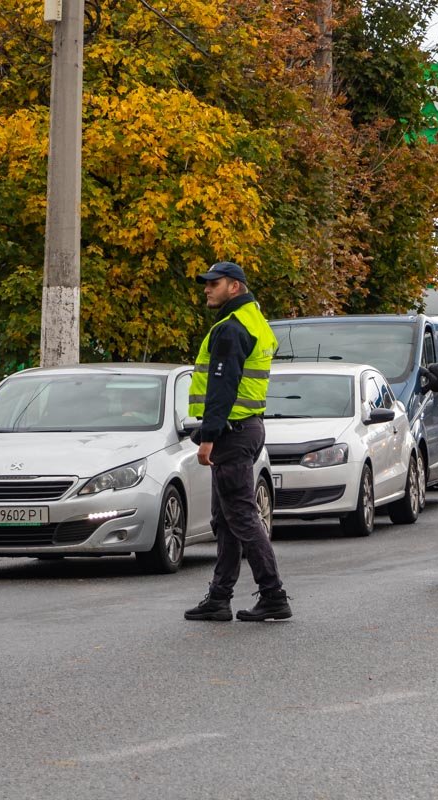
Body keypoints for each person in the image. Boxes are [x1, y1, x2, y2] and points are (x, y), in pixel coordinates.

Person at [183, 261, 292, 623]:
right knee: (226, 519)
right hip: (247, 427)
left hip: (231, 432)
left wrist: (208, 437)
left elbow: (222, 387)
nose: (206, 289)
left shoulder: (232, 329)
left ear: (234, 287)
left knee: (241, 516)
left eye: (214, 284)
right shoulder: (254, 321)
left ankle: (273, 594)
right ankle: (219, 598)